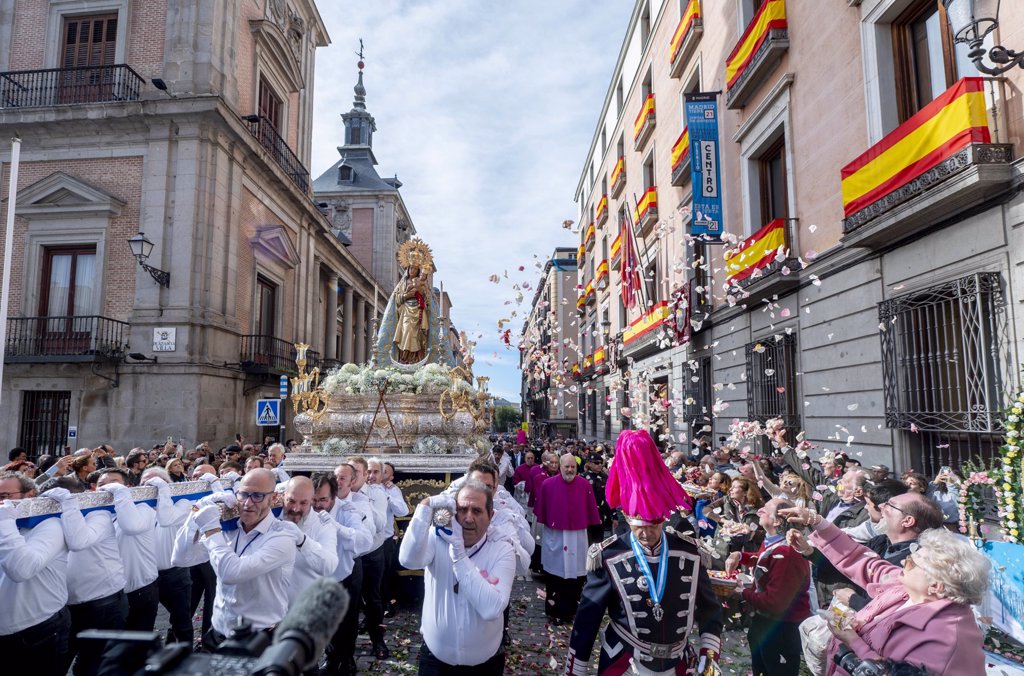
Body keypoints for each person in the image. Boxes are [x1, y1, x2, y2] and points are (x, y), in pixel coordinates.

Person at [565, 430, 722, 675]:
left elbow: (710, 608)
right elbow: (588, 620)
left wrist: (708, 654)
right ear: (628, 520)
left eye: (653, 527)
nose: (647, 534)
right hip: (625, 662)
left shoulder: (688, 551)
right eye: (640, 529)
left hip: (678, 663)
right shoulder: (608, 556)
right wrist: (577, 669)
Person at [783, 507, 990, 676]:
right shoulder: (902, 589)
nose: (902, 562)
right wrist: (817, 521)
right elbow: (862, 560)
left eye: (911, 562)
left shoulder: (946, 635)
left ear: (936, 585)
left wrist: (853, 642)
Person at [400, 480, 516, 674]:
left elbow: (492, 608)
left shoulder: (502, 550)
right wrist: (424, 507)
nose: (468, 518)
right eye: (462, 510)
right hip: (435, 661)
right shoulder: (437, 538)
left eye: (477, 511)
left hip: (485, 664)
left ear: (491, 516)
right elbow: (408, 560)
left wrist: (459, 554)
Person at [176, 468, 297, 648]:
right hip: (218, 633)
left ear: (272, 499)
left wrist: (211, 529)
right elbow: (180, 558)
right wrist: (197, 511)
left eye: (257, 496)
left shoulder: (282, 536)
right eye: (243, 494)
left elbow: (232, 574)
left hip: (259, 639)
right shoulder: (229, 528)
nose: (248, 503)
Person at [725, 498, 811, 676]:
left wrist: (742, 593)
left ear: (778, 520)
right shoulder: (773, 541)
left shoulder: (787, 553)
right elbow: (763, 560)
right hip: (766, 622)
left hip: (781, 629)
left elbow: (775, 603)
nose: (759, 511)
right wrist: (740, 556)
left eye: (765, 509)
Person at [0, 472, 72, 676]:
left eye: (5, 496)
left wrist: (4, 522)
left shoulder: (50, 525)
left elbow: (21, 569)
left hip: (38, 631)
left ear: (30, 494)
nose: (1, 502)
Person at [314, 469, 374, 675]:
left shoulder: (348, 510)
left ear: (333, 496)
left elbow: (364, 541)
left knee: (347, 621)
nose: (317, 505)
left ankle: (347, 658)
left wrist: (336, 527)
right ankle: (331, 658)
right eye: (314, 500)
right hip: (319, 575)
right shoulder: (308, 508)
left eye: (322, 500)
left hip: (345, 571)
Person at [534, 452, 601, 624]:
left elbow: (591, 512)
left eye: (573, 467)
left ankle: (572, 611)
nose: (570, 470)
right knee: (556, 577)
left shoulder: (585, 485)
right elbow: (540, 513)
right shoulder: (548, 485)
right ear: (560, 467)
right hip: (555, 537)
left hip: (578, 537)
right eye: (567, 466)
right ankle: (554, 612)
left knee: (576, 577)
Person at [96, 468, 161, 633]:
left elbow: (131, 526)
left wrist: (120, 493)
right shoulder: (98, 514)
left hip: (139, 589)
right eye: (101, 485)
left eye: (113, 484)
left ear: (127, 488)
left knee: (136, 647)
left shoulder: (143, 508)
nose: (106, 488)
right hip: (109, 595)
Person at [140, 467, 194, 645]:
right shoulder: (138, 508)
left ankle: (180, 659)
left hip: (173, 574)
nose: (150, 487)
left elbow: (166, 519)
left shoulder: (182, 503)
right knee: (143, 625)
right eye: (145, 483)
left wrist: (162, 490)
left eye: (156, 482)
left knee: (181, 623)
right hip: (145, 577)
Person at [347, 456, 391, 660]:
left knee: (373, 598)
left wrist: (365, 505)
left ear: (365, 475)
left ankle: (378, 640)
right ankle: (344, 650)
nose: (352, 476)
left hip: (372, 552)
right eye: (350, 471)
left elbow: (381, 525)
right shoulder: (339, 492)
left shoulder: (376, 494)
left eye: (357, 472)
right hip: (349, 554)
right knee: (348, 602)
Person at [280, 476, 338, 604]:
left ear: (311, 500)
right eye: (291, 501)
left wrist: (303, 541)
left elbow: (329, 566)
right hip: (270, 613)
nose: (295, 508)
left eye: (303, 503)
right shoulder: (271, 517)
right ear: (283, 496)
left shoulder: (324, 526)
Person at [368, 458, 409, 618]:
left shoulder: (391, 490)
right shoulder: (360, 488)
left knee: (383, 575)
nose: (373, 475)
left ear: (389, 477)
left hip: (383, 540)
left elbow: (402, 511)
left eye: (380, 472)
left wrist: (386, 496)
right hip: (366, 540)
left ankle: (387, 605)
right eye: (370, 472)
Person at [394, 263, 430, 363]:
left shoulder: (421, 283)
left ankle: (415, 359)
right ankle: (404, 358)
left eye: (415, 269)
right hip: (406, 310)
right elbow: (396, 298)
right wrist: (406, 296)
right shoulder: (403, 283)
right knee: (406, 331)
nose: (412, 270)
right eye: (411, 268)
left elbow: (427, 298)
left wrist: (421, 291)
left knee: (418, 335)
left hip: (419, 310)